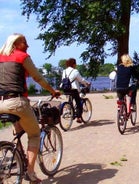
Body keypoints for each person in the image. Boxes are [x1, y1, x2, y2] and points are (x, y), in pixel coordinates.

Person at [0, 33, 60, 183]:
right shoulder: (22, 56)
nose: (27, 45)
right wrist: (52, 91)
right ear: (15, 44)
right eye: (24, 42)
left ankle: (20, 159)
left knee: (19, 130)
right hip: (16, 102)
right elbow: (38, 77)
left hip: (1, 103)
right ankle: (31, 173)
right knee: (34, 134)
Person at [61, 58, 91, 123]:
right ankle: (78, 117)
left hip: (65, 88)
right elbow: (81, 80)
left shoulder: (64, 71)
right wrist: (87, 83)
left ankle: (69, 109)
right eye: (75, 63)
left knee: (70, 100)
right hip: (73, 89)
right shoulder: (75, 71)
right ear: (74, 64)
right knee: (79, 102)